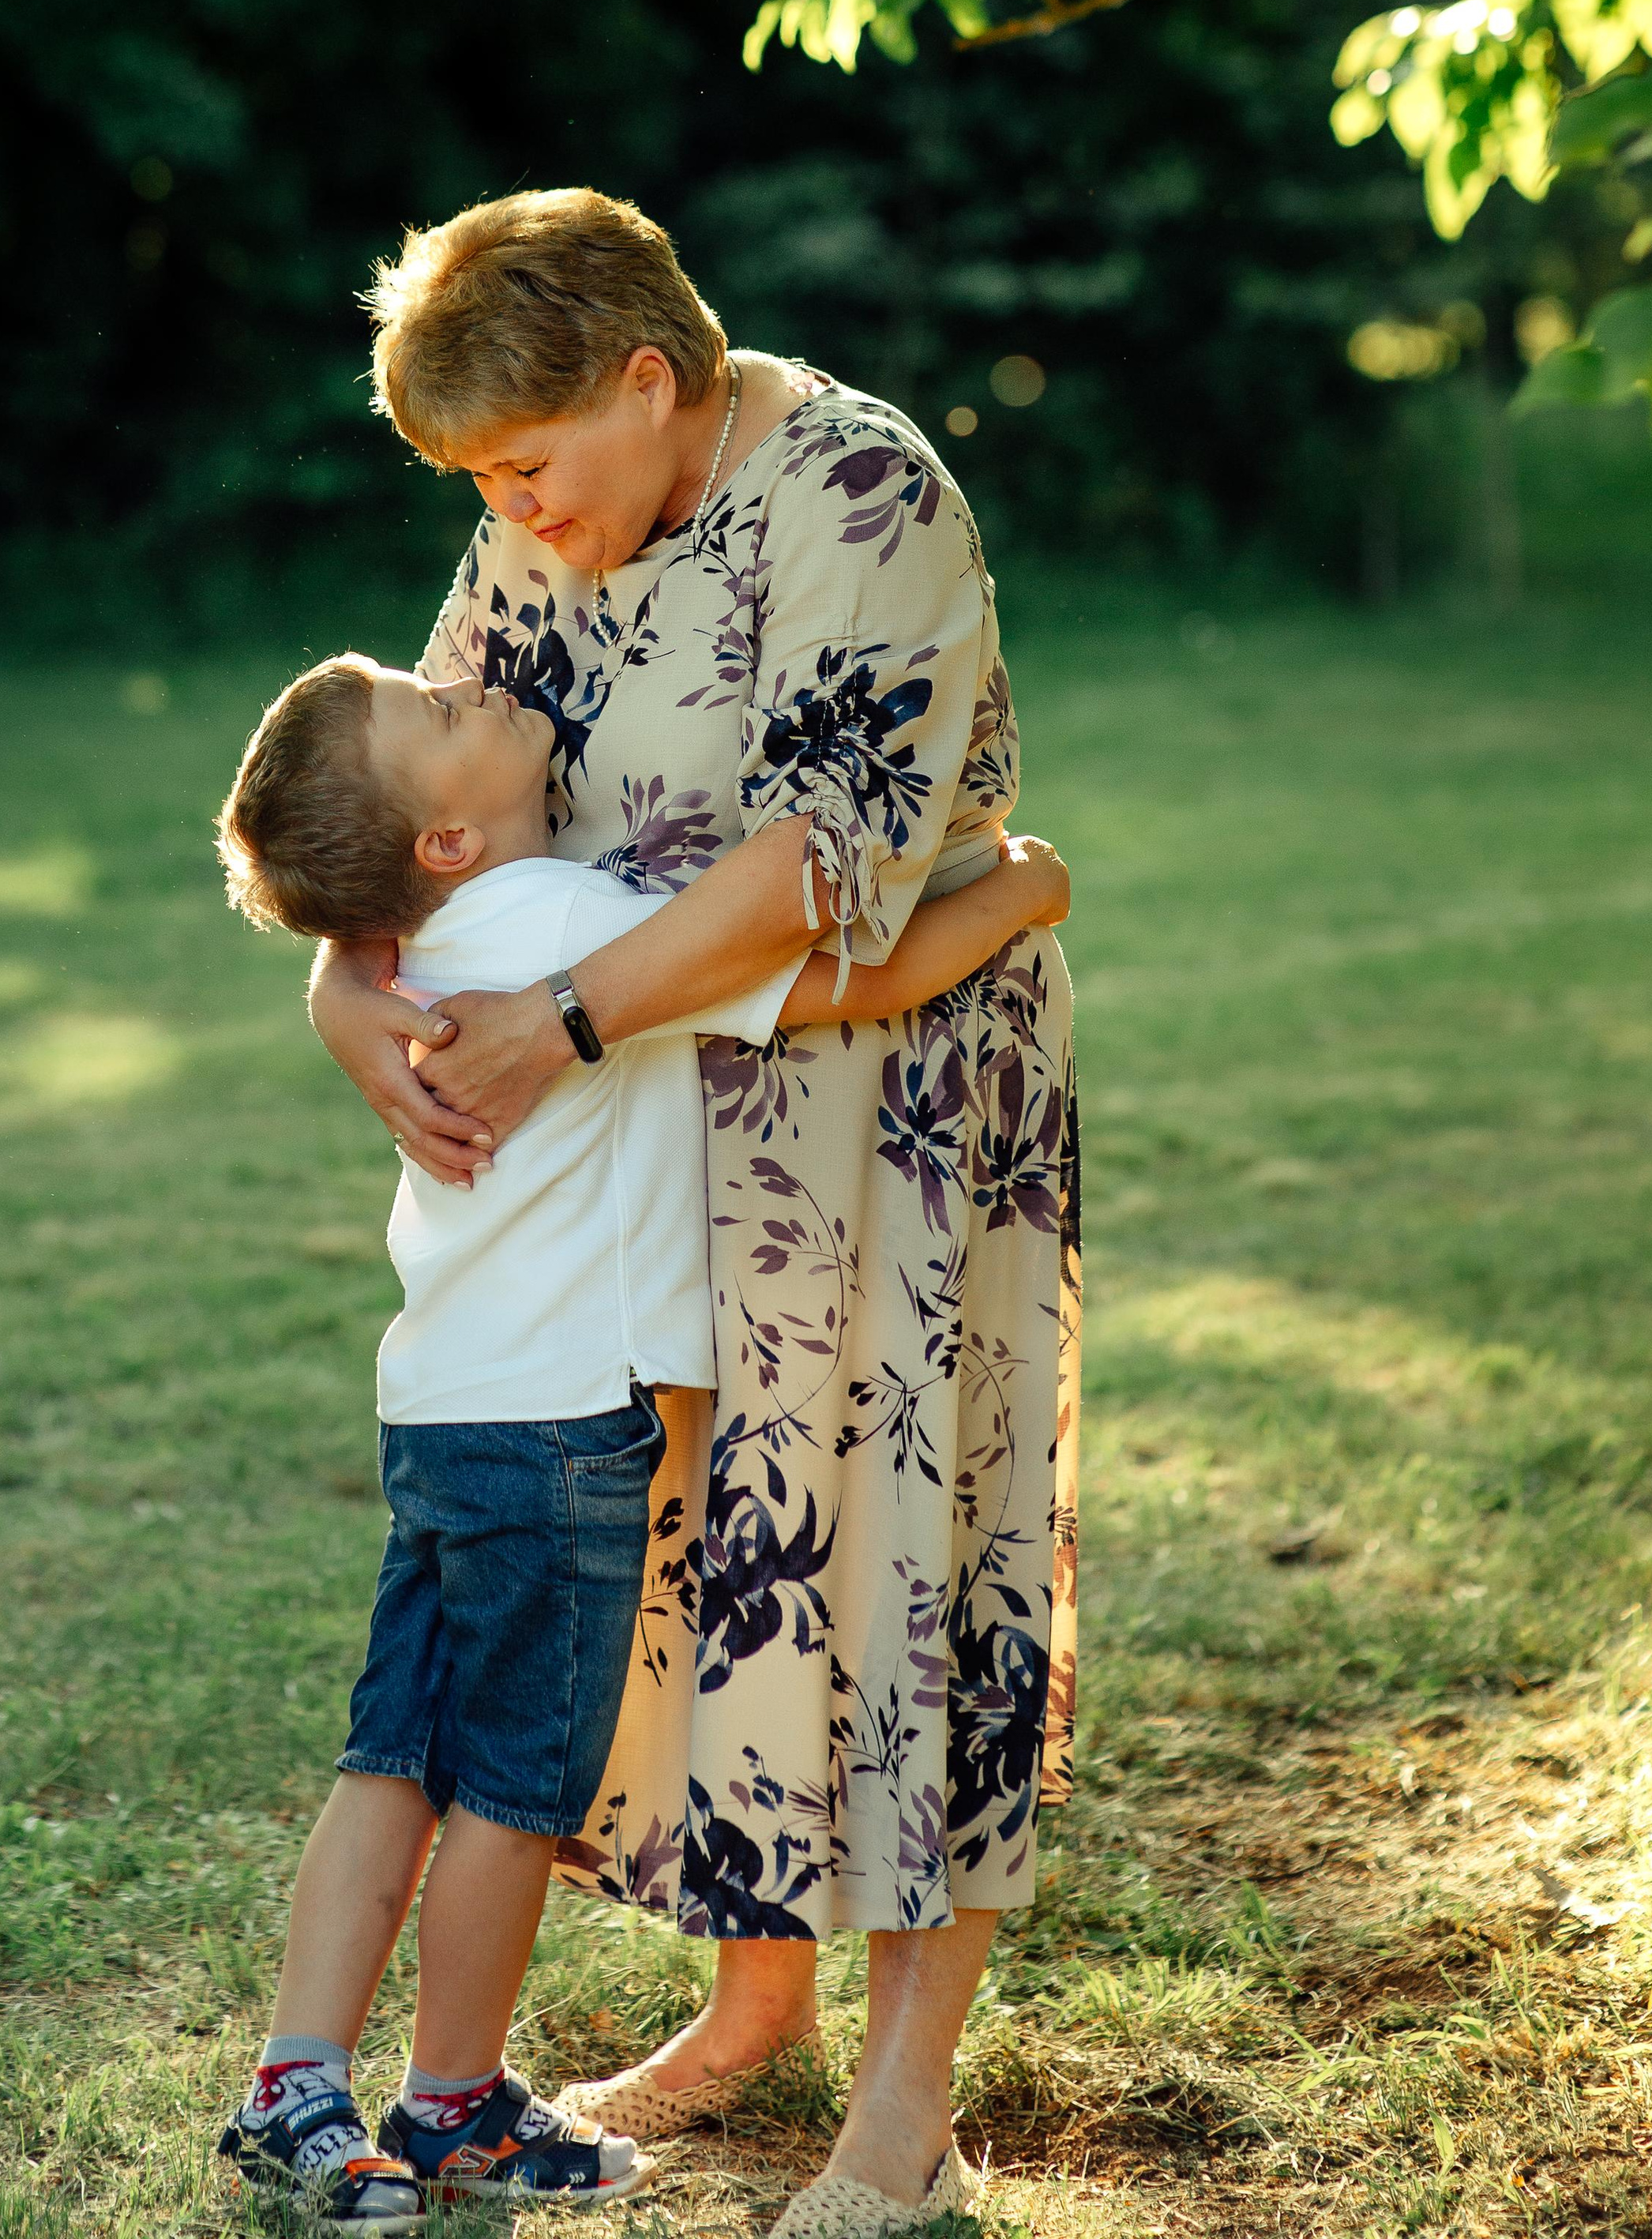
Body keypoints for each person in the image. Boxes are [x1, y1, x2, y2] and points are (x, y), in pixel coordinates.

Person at [306, 190, 1082, 2239]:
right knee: (721, 1554)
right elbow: (422, 782)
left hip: (885, 1110)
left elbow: (824, 868)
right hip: (656, 1130)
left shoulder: (860, 493)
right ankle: (754, 2005)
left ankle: (901, 2105)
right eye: (478, 485)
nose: (509, 517)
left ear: (650, 382)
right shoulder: (546, 513)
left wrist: (559, 1014)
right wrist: (344, 978)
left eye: (528, 470)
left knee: (904, 1566)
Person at [210, 645, 1071, 2218]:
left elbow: (347, 943)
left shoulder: (416, 943)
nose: (469, 681)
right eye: (440, 712)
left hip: (444, 1402)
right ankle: (454, 2106)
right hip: (562, 1429)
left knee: (389, 1753)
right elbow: (844, 979)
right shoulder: (566, 929)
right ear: (447, 840)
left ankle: (295, 2082)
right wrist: (1011, 895)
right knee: (513, 1795)